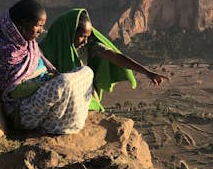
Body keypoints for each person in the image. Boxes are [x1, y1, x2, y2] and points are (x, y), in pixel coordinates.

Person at [0, 0, 94, 134]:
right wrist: (47, 82)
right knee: (64, 82)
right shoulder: (7, 52)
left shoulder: (29, 44)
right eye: (38, 25)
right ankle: (53, 124)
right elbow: (13, 90)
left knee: (87, 71)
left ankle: (62, 116)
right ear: (23, 23)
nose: (41, 30)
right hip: (23, 111)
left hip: (39, 98)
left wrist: (50, 79)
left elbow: (45, 67)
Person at [39, 8, 167, 111]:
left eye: (88, 37)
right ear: (69, 32)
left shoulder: (90, 46)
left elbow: (115, 57)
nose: (86, 41)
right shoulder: (44, 49)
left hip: (81, 96)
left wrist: (147, 72)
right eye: (82, 36)